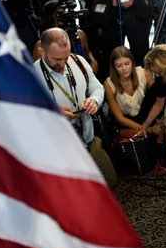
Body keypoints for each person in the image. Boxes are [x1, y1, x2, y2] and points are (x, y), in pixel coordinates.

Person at [32, 28, 117, 188]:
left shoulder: (79, 61)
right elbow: (27, 116)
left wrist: (94, 100)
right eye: (57, 59)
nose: (63, 64)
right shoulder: (31, 76)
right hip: (58, 149)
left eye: (66, 57)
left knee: (110, 181)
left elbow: (98, 88)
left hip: (89, 141)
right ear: (42, 51)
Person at [104, 46, 163, 139]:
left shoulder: (144, 73)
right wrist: (147, 129)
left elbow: (159, 97)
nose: (124, 68)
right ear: (114, 67)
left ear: (132, 62)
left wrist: (156, 121)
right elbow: (120, 118)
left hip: (147, 117)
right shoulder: (108, 85)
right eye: (119, 66)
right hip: (126, 124)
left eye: (127, 64)